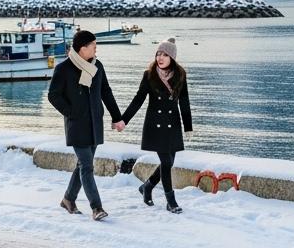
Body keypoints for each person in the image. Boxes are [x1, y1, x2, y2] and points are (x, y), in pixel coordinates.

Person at [47, 29, 123, 221]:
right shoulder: (63, 69)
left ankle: (68, 199)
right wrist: (71, 112)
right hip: (76, 126)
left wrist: (117, 117)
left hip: (94, 124)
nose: (96, 50)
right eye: (94, 46)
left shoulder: (98, 67)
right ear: (82, 49)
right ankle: (96, 207)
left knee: (82, 165)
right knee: (88, 166)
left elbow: (106, 92)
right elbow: (53, 95)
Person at [119, 37, 192, 214]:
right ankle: (170, 201)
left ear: (172, 57)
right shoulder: (149, 74)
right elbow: (138, 99)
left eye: (165, 54)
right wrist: (124, 119)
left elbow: (184, 102)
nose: (160, 57)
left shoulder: (180, 75)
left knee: (169, 162)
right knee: (166, 162)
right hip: (155, 124)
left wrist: (188, 126)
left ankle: (147, 187)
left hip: (173, 124)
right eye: (158, 53)